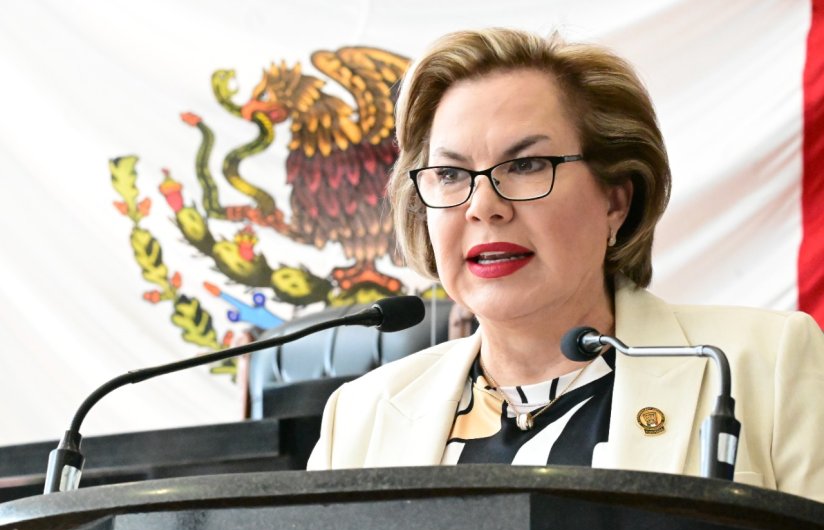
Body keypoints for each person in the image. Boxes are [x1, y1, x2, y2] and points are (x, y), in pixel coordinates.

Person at [306, 27, 824, 503]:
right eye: (450, 174)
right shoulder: (359, 418)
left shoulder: (763, 364)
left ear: (615, 200)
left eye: (526, 165)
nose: (483, 206)